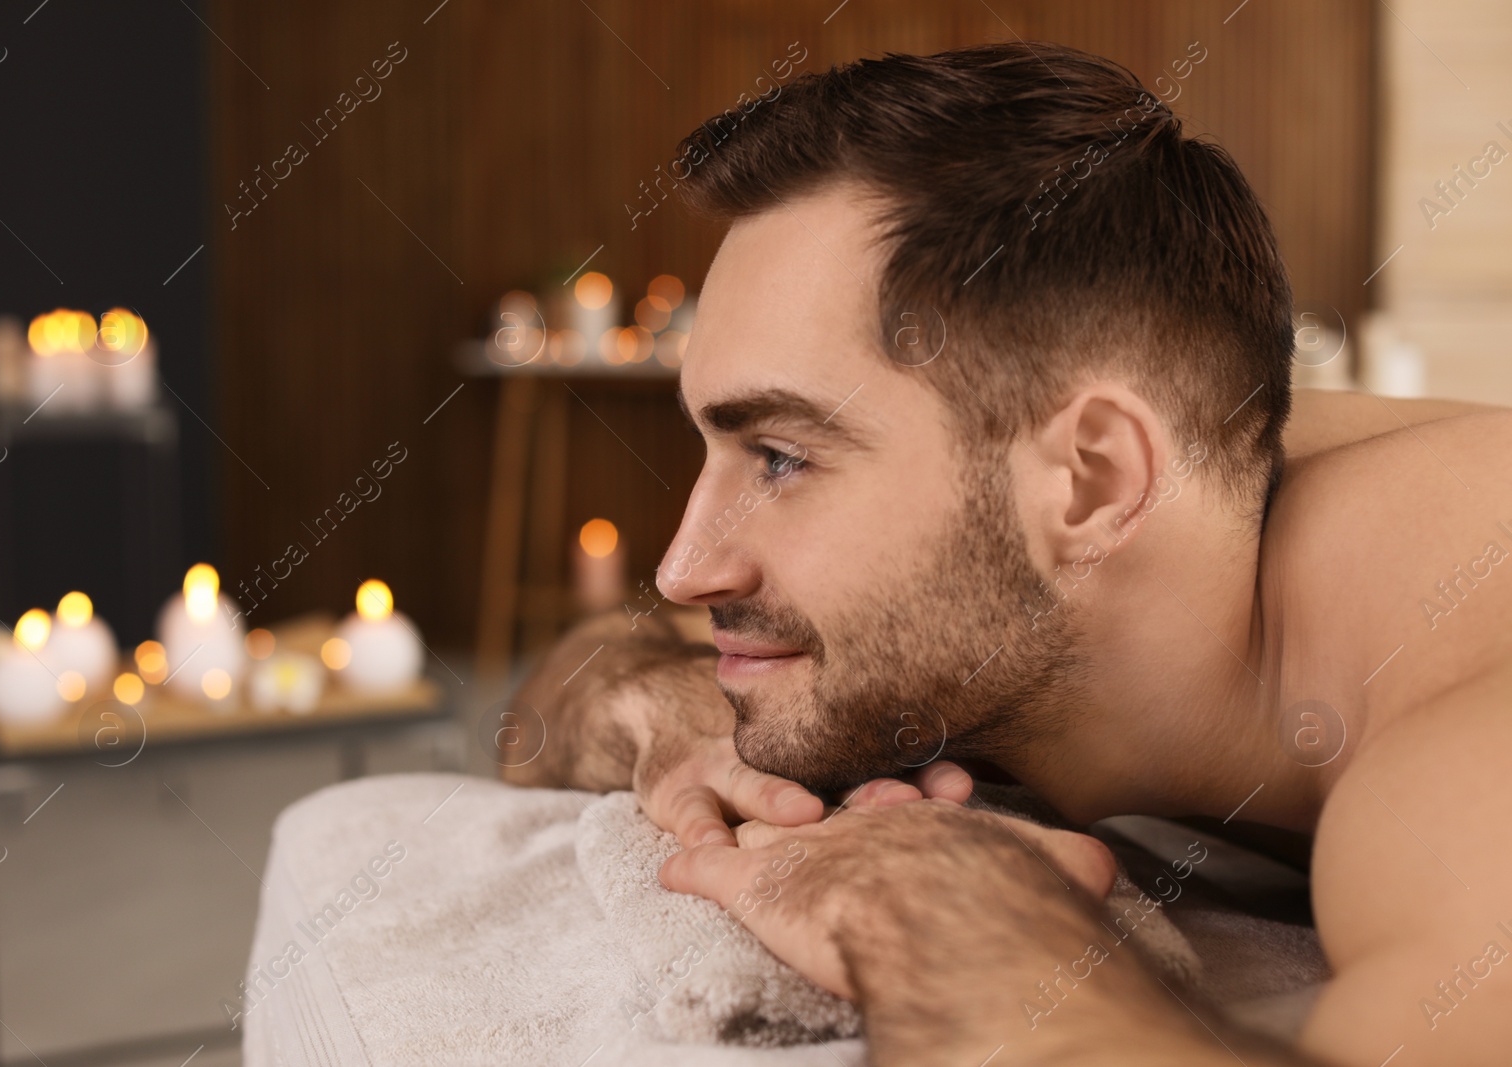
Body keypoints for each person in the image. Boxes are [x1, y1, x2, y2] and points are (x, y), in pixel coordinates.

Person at [503, 42, 1512, 1065]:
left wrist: (943, 906)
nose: (683, 567)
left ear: (1091, 482)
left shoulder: (1464, 711)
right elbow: (553, 691)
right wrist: (665, 711)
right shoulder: (1170, 488)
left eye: (778, 456)